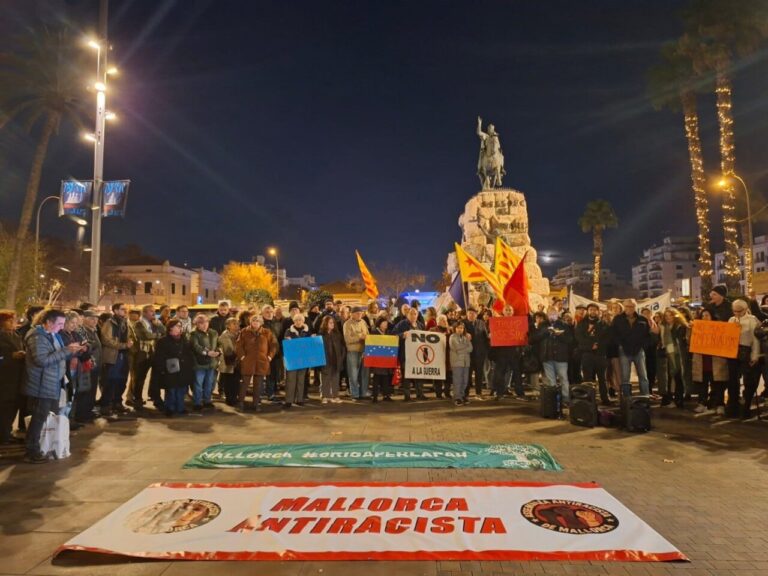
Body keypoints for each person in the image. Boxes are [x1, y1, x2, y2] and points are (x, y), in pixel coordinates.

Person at [23, 309, 82, 463]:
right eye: (59, 324)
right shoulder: (37, 336)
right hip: (41, 383)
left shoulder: (52, 335)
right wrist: (66, 351)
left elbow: (57, 355)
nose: (62, 327)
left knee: (46, 416)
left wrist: (71, 351)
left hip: (52, 381)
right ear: (48, 322)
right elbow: (42, 360)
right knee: (38, 417)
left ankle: (43, 445)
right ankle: (31, 451)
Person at [531, 310, 574, 406]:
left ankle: (566, 399)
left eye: (554, 314)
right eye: (550, 314)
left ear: (558, 315)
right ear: (547, 315)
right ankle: (554, 400)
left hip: (561, 357)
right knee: (551, 380)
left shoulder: (563, 324)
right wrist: (546, 332)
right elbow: (534, 338)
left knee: (563, 378)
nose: (552, 316)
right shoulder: (542, 325)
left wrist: (559, 335)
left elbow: (570, 340)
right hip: (547, 357)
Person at [235, 315, 278, 412]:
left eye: (257, 321)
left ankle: (256, 404)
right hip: (248, 361)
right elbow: (238, 345)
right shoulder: (244, 332)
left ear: (261, 323)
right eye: (254, 321)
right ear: (250, 322)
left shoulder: (267, 332)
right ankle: (241, 402)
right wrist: (242, 357)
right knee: (244, 383)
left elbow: (273, 345)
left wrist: (270, 356)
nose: (255, 323)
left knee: (258, 384)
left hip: (262, 361)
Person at [153, 319, 194, 417]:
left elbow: (189, 354)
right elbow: (159, 356)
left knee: (181, 390)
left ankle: (180, 408)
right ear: (171, 328)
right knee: (171, 390)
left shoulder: (184, 339)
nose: (180, 328)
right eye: (178, 326)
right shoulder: (163, 341)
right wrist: (162, 368)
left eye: (180, 326)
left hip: (183, 369)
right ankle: (169, 408)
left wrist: (188, 365)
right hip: (170, 369)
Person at [99, 303, 133, 418]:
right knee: (110, 382)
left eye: (126, 309)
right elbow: (106, 340)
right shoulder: (109, 323)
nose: (125, 311)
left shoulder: (125, 322)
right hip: (113, 356)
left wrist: (129, 343)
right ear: (115, 310)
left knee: (122, 381)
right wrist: (123, 345)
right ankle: (105, 405)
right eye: (123, 309)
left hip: (124, 355)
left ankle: (117, 403)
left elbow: (129, 336)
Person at [729, 299, 761, 419]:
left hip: (746, 350)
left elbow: (755, 339)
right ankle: (734, 406)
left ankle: (746, 406)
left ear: (745, 309)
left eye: (739, 311)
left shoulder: (752, 320)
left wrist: (755, 355)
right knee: (733, 380)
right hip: (733, 351)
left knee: (749, 380)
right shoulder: (731, 320)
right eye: (734, 311)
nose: (736, 313)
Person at [613, 299, 650, 398]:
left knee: (643, 376)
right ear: (624, 307)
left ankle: (645, 397)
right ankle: (627, 398)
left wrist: (643, 346)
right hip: (624, 350)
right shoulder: (618, 319)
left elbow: (647, 335)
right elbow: (614, 334)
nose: (629, 308)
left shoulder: (642, 319)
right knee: (625, 376)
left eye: (632, 306)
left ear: (635, 307)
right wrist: (620, 345)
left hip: (639, 350)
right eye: (627, 306)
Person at [488, 305, 527, 401]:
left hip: (514, 352)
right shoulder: (497, 323)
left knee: (517, 374)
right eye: (507, 310)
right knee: (499, 373)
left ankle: (520, 393)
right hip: (501, 353)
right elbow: (493, 336)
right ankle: (499, 393)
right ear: (503, 312)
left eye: (510, 310)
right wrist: (491, 335)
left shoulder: (518, 323)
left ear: (513, 312)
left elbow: (523, 336)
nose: (508, 311)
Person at [692, 309, 727, 414]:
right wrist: (690, 329)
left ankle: (719, 405)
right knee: (702, 385)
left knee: (717, 385)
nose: (705, 317)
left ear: (712, 316)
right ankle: (702, 403)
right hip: (702, 361)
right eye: (703, 316)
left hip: (716, 361)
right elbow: (689, 339)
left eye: (707, 315)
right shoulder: (696, 328)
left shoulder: (719, 327)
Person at [131, 305, 165, 410]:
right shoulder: (139, 324)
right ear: (144, 313)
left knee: (156, 378)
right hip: (142, 354)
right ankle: (137, 400)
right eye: (151, 311)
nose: (154, 313)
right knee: (140, 378)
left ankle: (156, 398)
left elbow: (164, 331)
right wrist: (158, 335)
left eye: (154, 311)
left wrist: (159, 325)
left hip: (153, 353)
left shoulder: (154, 323)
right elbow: (146, 336)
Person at [575, 303, 610, 405]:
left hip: (600, 355)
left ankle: (605, 398)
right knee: (587, 379)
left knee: (602, 379)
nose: (593, 311)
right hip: (587, 355)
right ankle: (589, 399)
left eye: (595, 310)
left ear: (598, 311)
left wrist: (598, 345)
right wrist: (590, 346)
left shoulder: (603, 324)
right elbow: (579, 339)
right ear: (588, 311)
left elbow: (607, 339)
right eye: (590, 309)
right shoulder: (582, 324)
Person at [0, 310, 25, 445]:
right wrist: (10, 357)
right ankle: (3, 436)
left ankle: (7, 433)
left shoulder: (16, 335)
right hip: (4, 379)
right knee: (4, 408)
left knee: (13, 407)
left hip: (17, 377)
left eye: (14, 320)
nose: (13, 322)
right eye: (9, 320)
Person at [392, 308, 427, 401]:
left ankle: (420, 394)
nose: (413, 316)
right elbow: (393, 334)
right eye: (411, 314)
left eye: (415, 314)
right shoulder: (402, 324)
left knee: (419, 374)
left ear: (417, 315)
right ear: (407, 315)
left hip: (418, 354)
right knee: (407, 375)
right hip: (406, 354)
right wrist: (402, 335)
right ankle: (407, 396)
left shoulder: (420, 325)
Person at [189, 314, 221, 411]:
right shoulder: (193, 334)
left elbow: (219, 344)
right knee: (198, 384)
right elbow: (196, 347)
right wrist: (207, 353)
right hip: (199, 364)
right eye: (201, 323)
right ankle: (197, 402)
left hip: (211, 363)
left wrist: (219, 351)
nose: (204, 325)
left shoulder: (213, 332)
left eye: (206, 322)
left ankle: (207, 401)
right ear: (197, 324)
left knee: (209, 383)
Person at [658, 308, 688, 409]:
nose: (668, 318)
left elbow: (682, 342)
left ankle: (679, 400)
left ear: (675, 316)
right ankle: (670, 399)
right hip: (667, 355)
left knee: (678, 377)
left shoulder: (681, 326)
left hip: (678, 356)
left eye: (670, 315)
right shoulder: (663, 327)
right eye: (666, 316)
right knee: (669, 378)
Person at [282, 313, 311, 408]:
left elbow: (310, 344)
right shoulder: (288, 331)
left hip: (303, 358)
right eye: (296, 320)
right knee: (291, 379)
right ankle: (289, 400)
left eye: (300, 320)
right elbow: (286, 343)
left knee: (301, 379)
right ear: (294, 321)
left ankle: (299, 399)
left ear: (303, 321)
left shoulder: (307, 332)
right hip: (292, 359)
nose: (298, 322)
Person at [80, 310, 102, 422]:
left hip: (95, 363)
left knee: (92, 389)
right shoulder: (83, 330)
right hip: (88, 364)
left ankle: (89, 410)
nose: (95, 321)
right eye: (91, 318)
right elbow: (87, 346)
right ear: (84, 319)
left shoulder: (94, 330)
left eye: (96, 319)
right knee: (87, 390)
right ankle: (84, 413)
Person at [343, 306, 370, 400]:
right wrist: (359, 337)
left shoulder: (363, 322)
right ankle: (355, 394)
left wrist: (366, 337)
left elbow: (367, 334)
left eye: (361, 313)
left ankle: (363, 393)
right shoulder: (347, 324)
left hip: (363, 351)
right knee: (353, 374)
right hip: (352, 351)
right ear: (352, 314)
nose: (360, 315)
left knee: (364, 374)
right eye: (358, 313)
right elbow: (347, 339)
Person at [464, 307, 490, 397]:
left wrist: (487, 349)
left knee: (479, 374)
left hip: (480, 353)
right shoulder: (462, 323)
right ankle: (465, 392)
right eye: (469, 313)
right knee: (467, 374)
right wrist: (464, 334)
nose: (471, 315)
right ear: (467, 314)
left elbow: (485, 337)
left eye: (473, 313)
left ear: (476, 314)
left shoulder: (481, 323)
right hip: (468, 354)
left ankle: (478, 392)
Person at [261, 305, 284, 401]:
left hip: (276, 353)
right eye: (267, 311)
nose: (269, 313)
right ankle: (268, 393)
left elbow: (281, 337)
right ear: (262, 313)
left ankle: (272, 391)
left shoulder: (278, 324)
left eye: (270, 311)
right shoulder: (260, 324)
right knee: (266, 373)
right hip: (264, 353)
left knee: (274, 372)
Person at [319, 316, 345, 403]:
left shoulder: (337, 334)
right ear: (325, 324)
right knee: (325, 378)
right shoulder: (321, 335)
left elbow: (342, 347)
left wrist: (341, 357)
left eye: (333, 323)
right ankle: (325, 396)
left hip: (336, 359)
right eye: (330, 322)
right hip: (325, 359)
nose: (332, 324)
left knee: (335, 378)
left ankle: (335, 396)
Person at [369, 317, 394, 403]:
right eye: (384, 323)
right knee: (377, 378)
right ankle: (375, 396)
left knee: (386, 378)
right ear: (379, 323)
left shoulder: (388, 333)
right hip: (377, 359)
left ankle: (386, 395)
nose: (386, 324)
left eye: (386, 323)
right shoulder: (374, 333)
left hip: (386, 359)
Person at [217, 318, 241, 406]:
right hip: (229, 362)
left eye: (237, 324)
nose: (236, 326)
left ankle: (234, 397)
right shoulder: (225, 336)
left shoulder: (238, 334)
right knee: (229, 381)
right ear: (228, 326)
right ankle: (230, 399)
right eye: (234, 324)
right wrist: (240, 350)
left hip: (237, 362)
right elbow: (229, 350)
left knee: (236, 381)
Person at [449, 321, 473, 406]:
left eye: (462, 328)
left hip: (466, 362)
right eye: (458, 328)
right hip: (457, 362)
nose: (460, 329)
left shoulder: (465, 338)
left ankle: (462, 396)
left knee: (465, 381)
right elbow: (456, 347)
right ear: (455, 328)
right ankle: (457, 397)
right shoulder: (452, 337)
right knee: (457, 380)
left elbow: (470, 348)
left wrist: (463, 348)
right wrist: (465, 347)